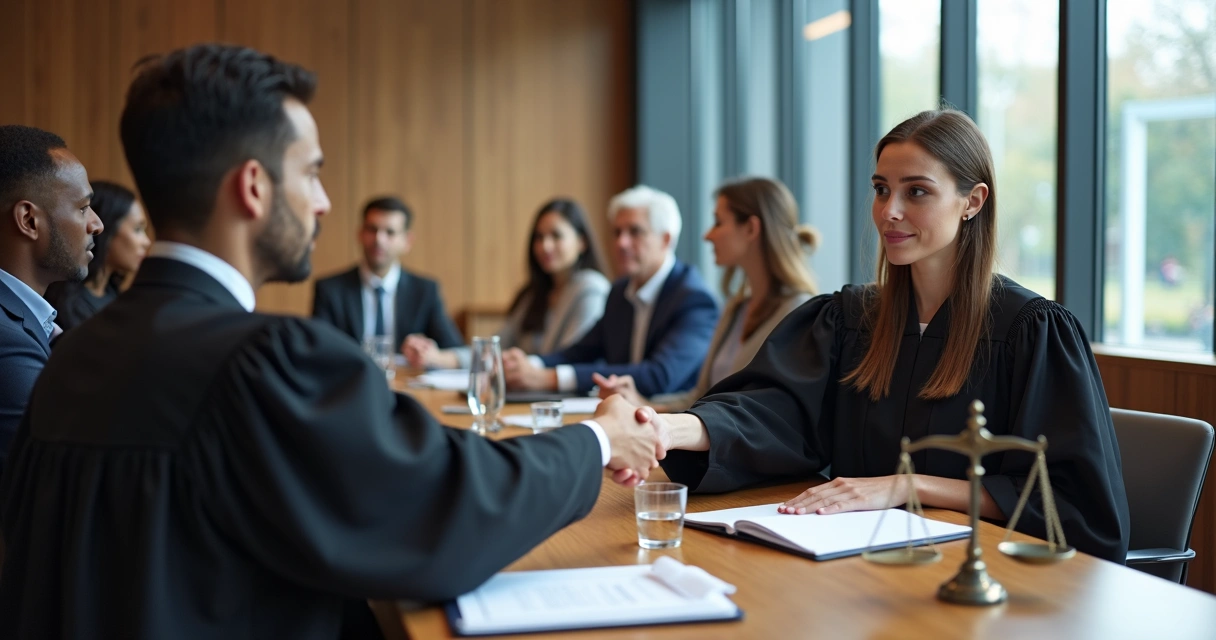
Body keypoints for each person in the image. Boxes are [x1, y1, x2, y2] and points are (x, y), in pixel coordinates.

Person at [0, 44, 661, 639]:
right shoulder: (261, 360)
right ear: (254, 188)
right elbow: (445, 510)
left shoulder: (71, 355)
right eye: (311, 174)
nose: (323, 202)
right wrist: (599, 438)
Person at [640, 109, 1131, 563]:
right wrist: (666, 428)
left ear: (973, 201)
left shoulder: (1031, 332)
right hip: (858, 566)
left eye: (916, 192)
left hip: (983, 576)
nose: (889, 211)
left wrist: (907, 486)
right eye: (881, 189)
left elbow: (1072, 503)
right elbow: (771, 413)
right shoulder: (849, 320)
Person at [595, 177, 819, 412]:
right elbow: (701, 398)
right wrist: (643, 404)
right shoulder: (735, 309)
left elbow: (780, 414)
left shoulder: (800, 312)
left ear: (751, 228)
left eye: (718, 222)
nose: (707, 235)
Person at [502, 185, 719, 397]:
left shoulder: (695, 299)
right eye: (617, 232)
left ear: (665, 239)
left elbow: (659, 375)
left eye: (635, 232)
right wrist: (527, 365)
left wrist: (551, 378)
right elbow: (580, 352)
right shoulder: (620, 292)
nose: (621, 243)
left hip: (669, 416)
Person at [0, 125, 103, 475]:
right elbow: (66, 477)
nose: (97, 224)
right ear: (29, 220)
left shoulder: (26, 323)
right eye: (83, 208)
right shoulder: (8, 343)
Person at [403, 198, 611, 370]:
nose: (545, 246)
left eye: (556, 236)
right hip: (526, 395)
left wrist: (524, 366)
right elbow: (494, 348)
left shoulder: (591, 289)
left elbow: (572, 359)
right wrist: (438, 357)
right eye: (539, 237)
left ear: (581, 242)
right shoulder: (533, 295)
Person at [311, 196, 464, 354]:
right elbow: (317, 350)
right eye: (372, 230)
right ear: (360, 234)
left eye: (390, 232)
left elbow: (459, 352)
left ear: (407, 241)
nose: (379, 239)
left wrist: (432, 356)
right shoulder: (330, 290)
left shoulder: (425, 291)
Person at [43, 181, 151, 331]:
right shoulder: (70, 306)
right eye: (138, 229)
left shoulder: (114, 294)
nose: (147, 242)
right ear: (106, 228)